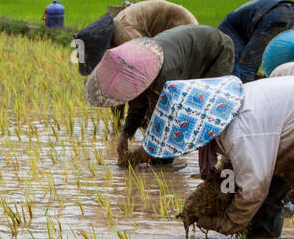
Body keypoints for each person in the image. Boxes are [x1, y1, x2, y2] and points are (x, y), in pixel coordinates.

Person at [144, 75, 294, 238]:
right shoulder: (225, 112)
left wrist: (226, 223)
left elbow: (253, 187)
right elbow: (233, 167)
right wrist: (216, 194)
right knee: (272, 196)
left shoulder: (239, 131)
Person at [84, 25, 235, 166]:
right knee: (154, 119)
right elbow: (138, 105)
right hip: (186, 54)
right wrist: (125, 134)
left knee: (207, 110)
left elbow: (176, 117)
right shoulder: (135, 70)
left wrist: (144, 153)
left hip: (216, 51)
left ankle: (220, 165)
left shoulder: (166, 77)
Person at [73, 0, 198, 76]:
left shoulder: (126, 34)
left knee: (164, 73)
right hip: (166, 31)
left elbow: (143, 62)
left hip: (182, 28)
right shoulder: (116, 30)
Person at [217, 0, 294, 82]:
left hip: (274, 14)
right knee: (286, 65)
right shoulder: (233, 22)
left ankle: (244, 94)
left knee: (246, 67)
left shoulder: (224, 31)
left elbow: (235, 59)